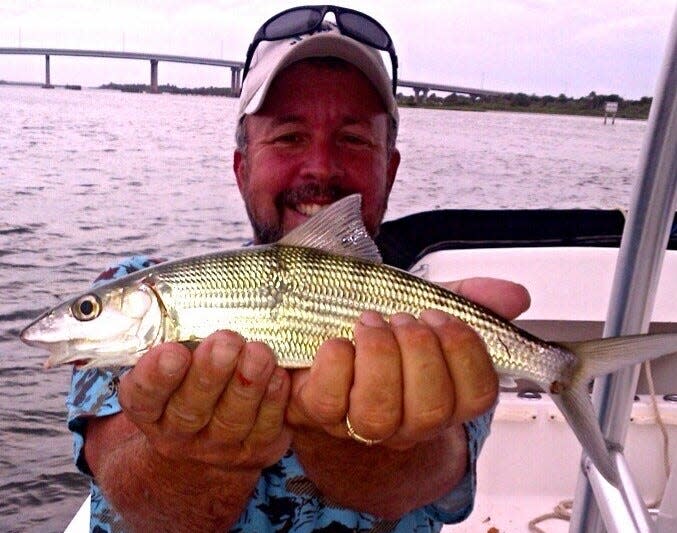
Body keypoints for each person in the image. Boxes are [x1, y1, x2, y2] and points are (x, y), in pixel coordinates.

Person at [67, 5, 530, 532]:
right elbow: (124, 480)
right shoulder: (126, 288)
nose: (321, 167)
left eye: (354, 139)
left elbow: (435, 476)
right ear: (242, 168)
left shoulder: (431, 325)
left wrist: (353, 435)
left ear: (390, 168)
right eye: (288, 137)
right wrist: (193, 456)